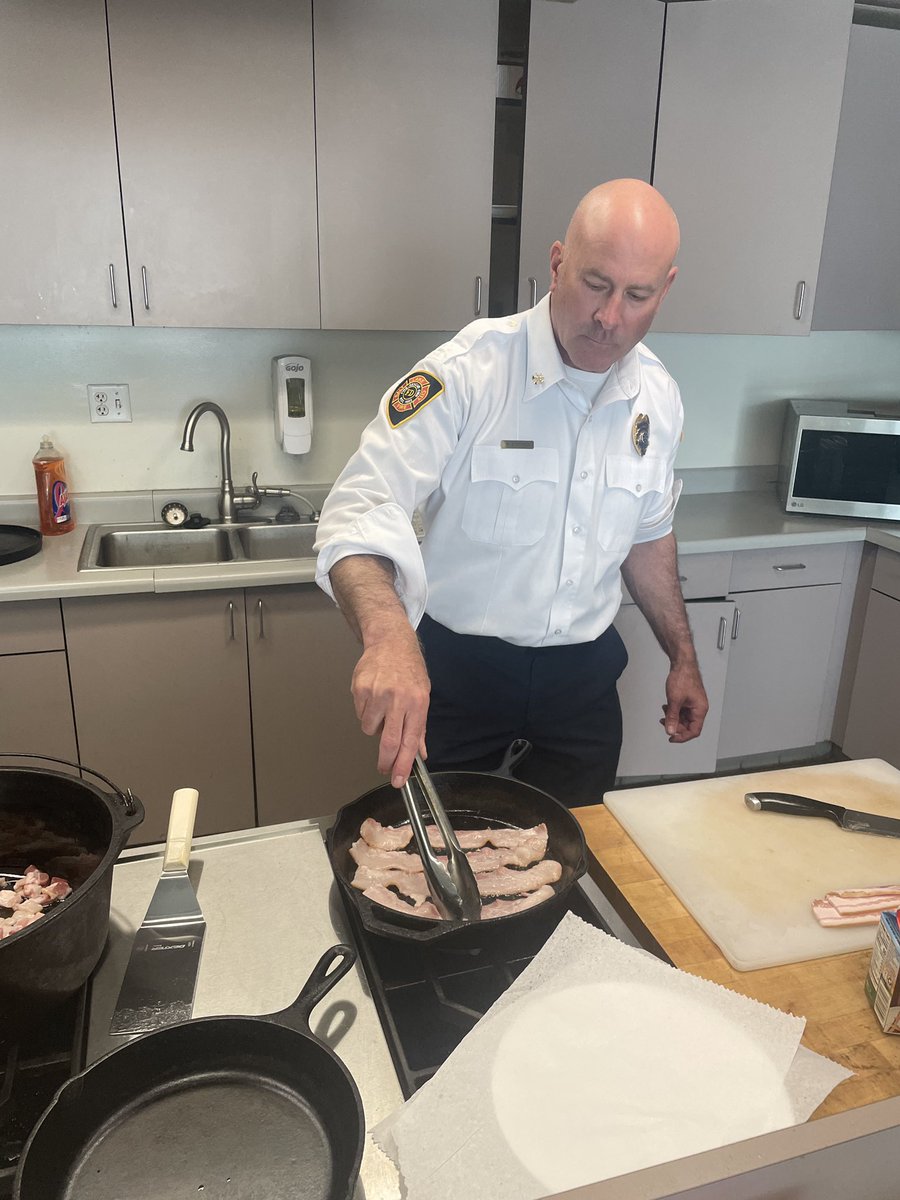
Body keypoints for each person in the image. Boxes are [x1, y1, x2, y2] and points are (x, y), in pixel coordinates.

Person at [314, 178, 708, 806]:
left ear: (666, 289)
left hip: (583, 686)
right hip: (461, 675)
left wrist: (682, 654)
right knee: (437, 865)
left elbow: (647, 533)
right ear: (557, 264)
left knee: (571, 865)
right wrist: (389, 637)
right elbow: (359, 504)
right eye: (596, 284)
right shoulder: (467, 372)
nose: (610, 318)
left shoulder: (657, 398)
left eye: (636, 295)